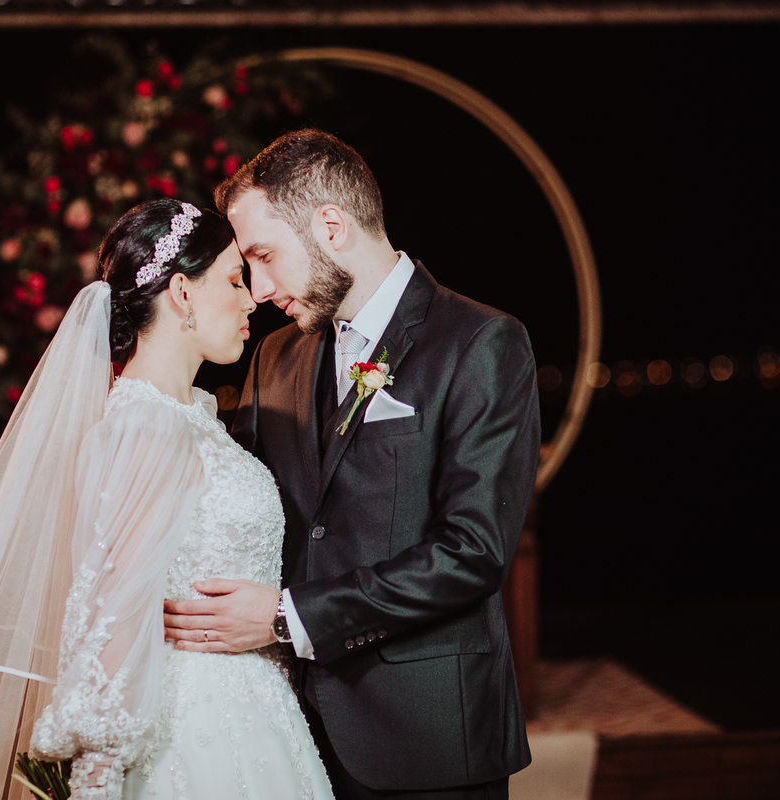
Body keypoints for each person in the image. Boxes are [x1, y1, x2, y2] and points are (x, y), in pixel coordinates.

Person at [0, 198, 334, 800]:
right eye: (235, 280)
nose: (252, 299)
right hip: (192, 726)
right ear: (182, 292)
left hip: (255, 714)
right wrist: (98, 774)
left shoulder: (190, 418)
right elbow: (112, 608)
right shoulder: (146, 426)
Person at [163, 129, 542, 800]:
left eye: (264, 256)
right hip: (287, 739)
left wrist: (288, 617)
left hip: (429, 737)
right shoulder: (276, 358)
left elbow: (473, 552)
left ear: (331, 227)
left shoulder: (480, 341)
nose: (259, 287)